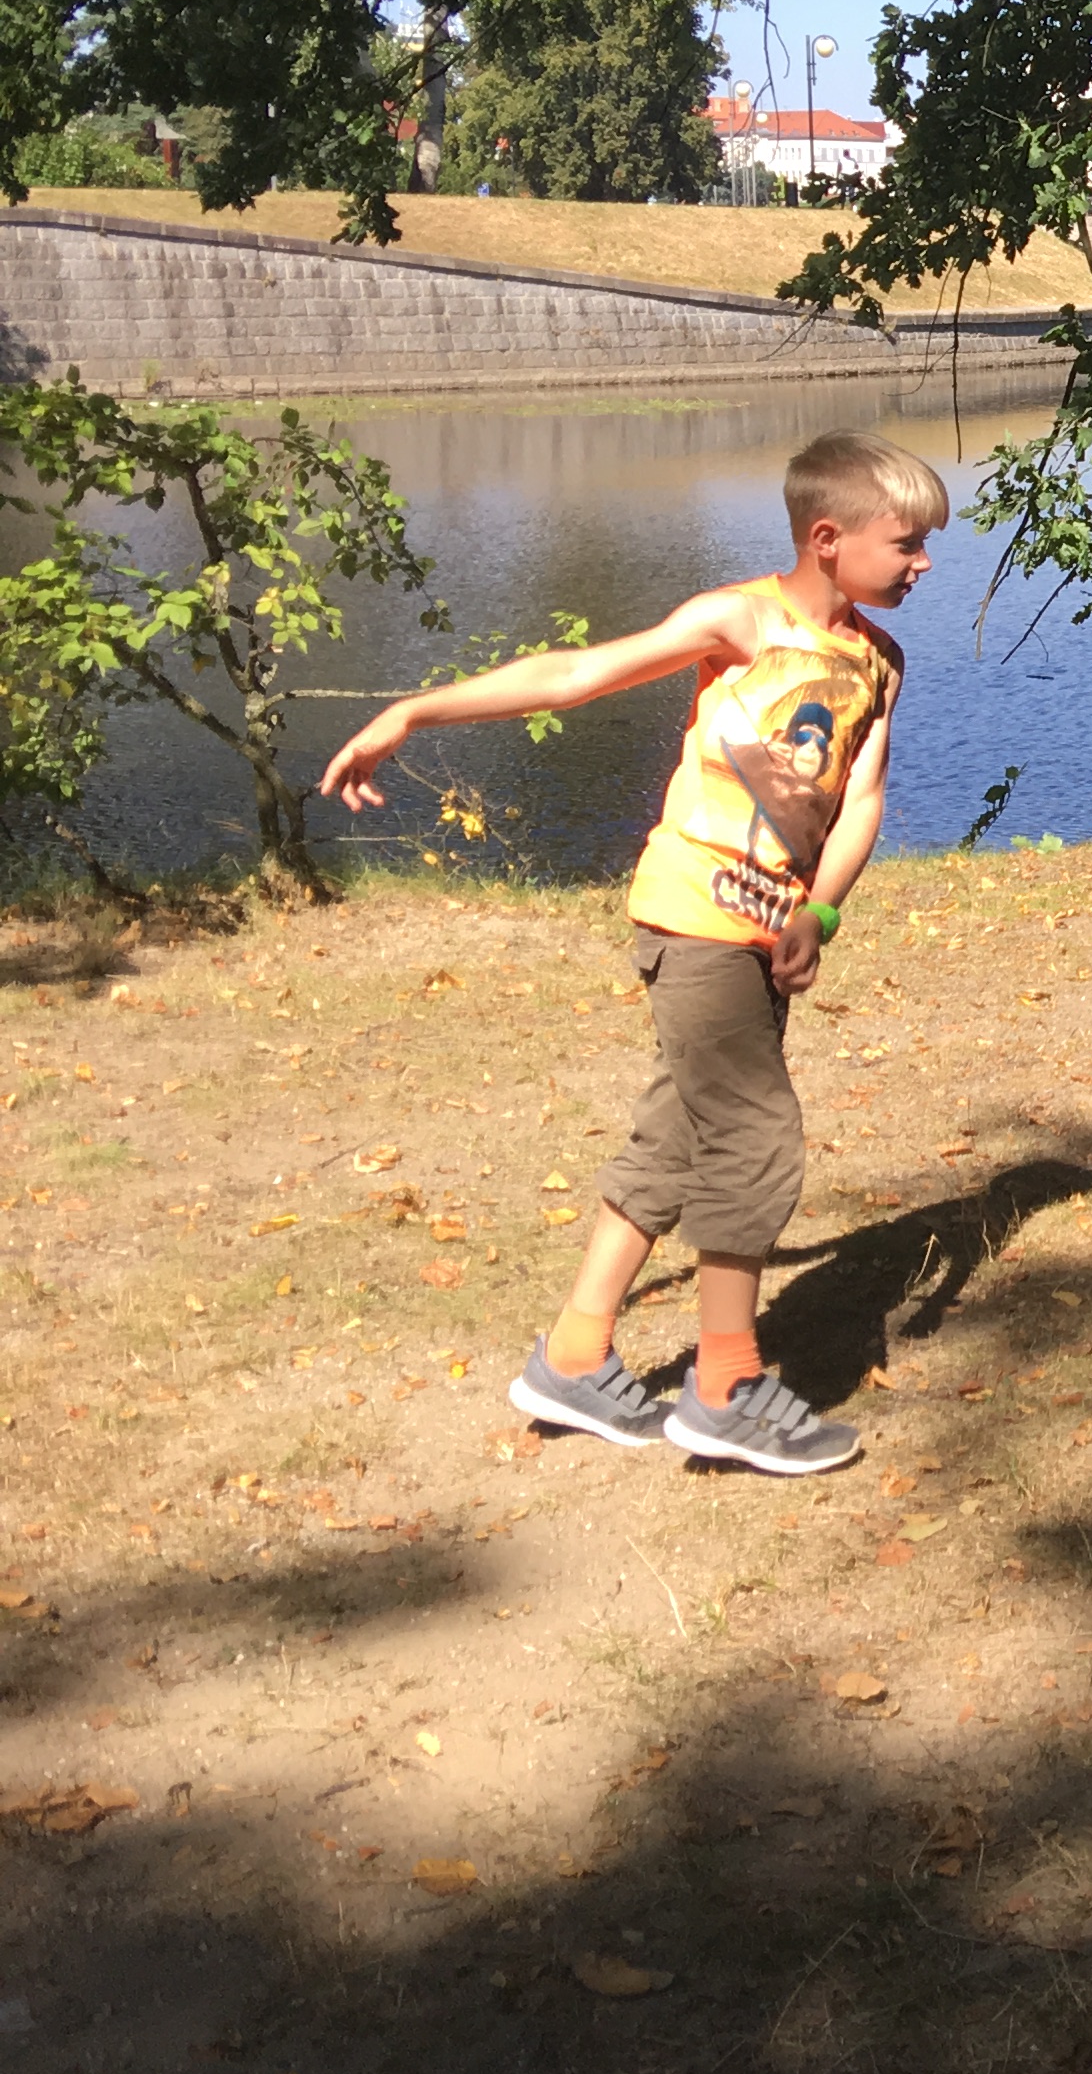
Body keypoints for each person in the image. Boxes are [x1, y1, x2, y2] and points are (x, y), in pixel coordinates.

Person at [317, 427, 944, 1474]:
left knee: (676, 1136)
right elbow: (577, 674)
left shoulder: (879, 661)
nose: (923, 564)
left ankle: (573, 1357)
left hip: (767, 930)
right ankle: (727, 1387)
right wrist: (414, 712)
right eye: (907, 544)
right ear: (828, 539)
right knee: (754, 1135)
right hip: (693, 918)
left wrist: (818, 914)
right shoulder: (740, 620)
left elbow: (863, 798)